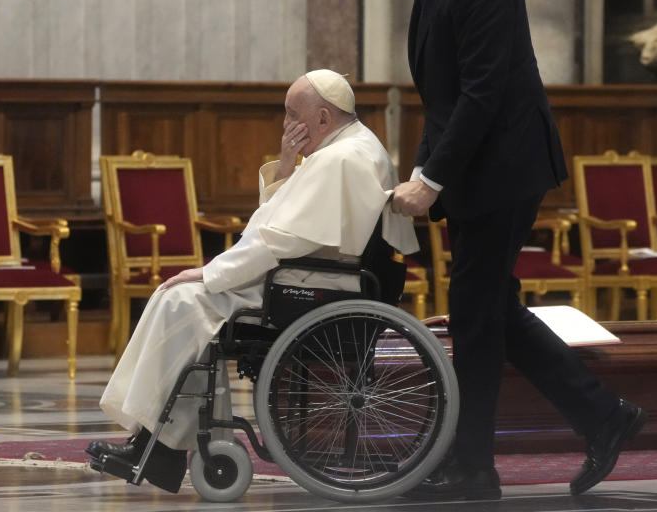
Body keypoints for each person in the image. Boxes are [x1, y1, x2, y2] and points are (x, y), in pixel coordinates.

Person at [367, 0, 645, 500]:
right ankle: (604, 417)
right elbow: (443, 100)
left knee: (473, 316)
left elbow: (483, 94)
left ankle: (473, 468)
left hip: (503, 173)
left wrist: (431, 180)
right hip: (477, 172)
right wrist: (421, 170)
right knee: (492, 310)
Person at [85, 69, 419, 493]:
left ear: (321, 118)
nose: (286, 125)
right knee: (182, 300)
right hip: (308, 275)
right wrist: (285, 166)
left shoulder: (342, 158)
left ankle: (161, 447)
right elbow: (284, 225)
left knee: (182, 301)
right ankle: (158, 444)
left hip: (312, 285)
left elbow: (277, 239)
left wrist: (211, 272)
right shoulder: (346, 146)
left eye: (291, 114)